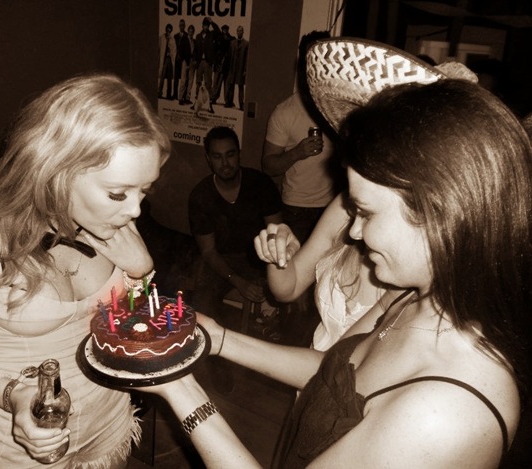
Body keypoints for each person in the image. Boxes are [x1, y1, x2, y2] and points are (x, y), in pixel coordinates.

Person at [138, 38, 532, 468]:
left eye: (366, 212)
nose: (355, 232)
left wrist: (180, 388)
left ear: (438, 212)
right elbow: (331, 372)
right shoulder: (408, 297)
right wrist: (218, 338)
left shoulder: (445, 412)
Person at [0, 73, 172, 468]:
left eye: (144, 190)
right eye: (118, 193)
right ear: (56, 170)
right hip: (17, 441)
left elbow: (126, 328)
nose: (135, 210)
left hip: (109, 419)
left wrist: (141, 272)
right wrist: (10, 393)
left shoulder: (112, 220)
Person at [255, 192, 392, 351]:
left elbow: (337, 360)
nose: (353, 232)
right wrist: (277, 254)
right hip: (314, 358)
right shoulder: (344, 207)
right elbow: (288, 290)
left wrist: (230, 344)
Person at [188, 126, 283, 331]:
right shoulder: (200, 196)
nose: (225, 163)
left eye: (230, 155)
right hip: (222, 260)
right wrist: (239, 282)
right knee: (200, 306)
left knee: (287, 297)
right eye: (217, 156)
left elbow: (276, 234)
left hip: (260, 257)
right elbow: (209, 251)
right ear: (208, 159)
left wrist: (269, 273)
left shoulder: (261, 184)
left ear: (239, 154)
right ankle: (210, 345)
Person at [262, 30, 339, 246]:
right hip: (298, 209)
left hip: (336, 204)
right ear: (302, 65)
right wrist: (297, 152)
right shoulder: (285, 112)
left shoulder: (339, 107)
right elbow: (268, 166)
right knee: (296, 263)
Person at [225, 25, 248, 110]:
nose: (239, 32)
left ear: (243, 32)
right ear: (236, 32)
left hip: (241, 69)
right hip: (232, 68)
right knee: (231, 85)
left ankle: (241, 105)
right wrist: (228, 68)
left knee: (241, 87)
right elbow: (229, 56)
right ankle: (229, 102)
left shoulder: (246, 44)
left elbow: (246, 58)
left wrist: (245, 70)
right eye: (238, 31)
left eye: (241, 30)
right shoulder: (232, 43)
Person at [178, 24, 196, 105]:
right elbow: (180, 50)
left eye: (192, 32)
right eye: (190, 31)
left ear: (193, 32)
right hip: (185, 61)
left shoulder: (194, 41)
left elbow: (195, 51)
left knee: (190, 81)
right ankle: (180, 98)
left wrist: (194, 60)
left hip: (192, 61)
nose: (191, 33)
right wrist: (184, 60)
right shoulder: (184, 39)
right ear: (188, 31)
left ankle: (187, 98)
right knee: (183, 80)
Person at [158, 23, 176, 99]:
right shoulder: (162, 38)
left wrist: (171, 52)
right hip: (163, 59)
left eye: (170, 30)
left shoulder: (172, 39)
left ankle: (168, 94)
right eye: (167, 30)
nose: (168, 32)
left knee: (169, 77)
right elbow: (159, 49)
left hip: (169, 60)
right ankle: (159, 92)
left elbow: (174, 50)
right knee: (162, 77)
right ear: (166, 30)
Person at [172, 19, 188, 103]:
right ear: (179, 26)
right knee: (176, 78)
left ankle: (182, 96)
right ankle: (174, 94)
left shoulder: (187, 35)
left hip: (183, 60)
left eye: (183, 25)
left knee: (184, 79)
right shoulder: (175, 36)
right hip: (176, 60)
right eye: (180, 25)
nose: (181, 26)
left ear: (184, 26)